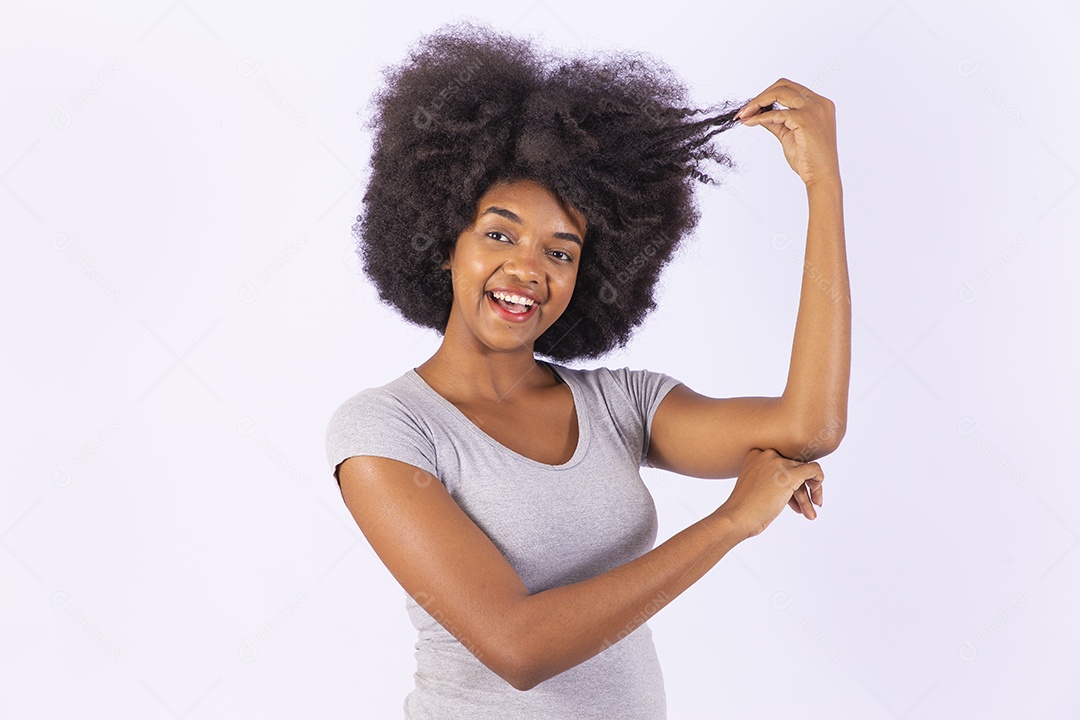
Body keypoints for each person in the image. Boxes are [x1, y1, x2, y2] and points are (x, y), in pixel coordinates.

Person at [325, 20, 849, 719]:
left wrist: (823, 186)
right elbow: (518, 647)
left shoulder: (618, 404)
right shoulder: (386, 430)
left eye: (561, 251)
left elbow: (808, 425)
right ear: (445, 242)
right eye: (499, 233)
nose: (527, 269)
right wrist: (731, 521)